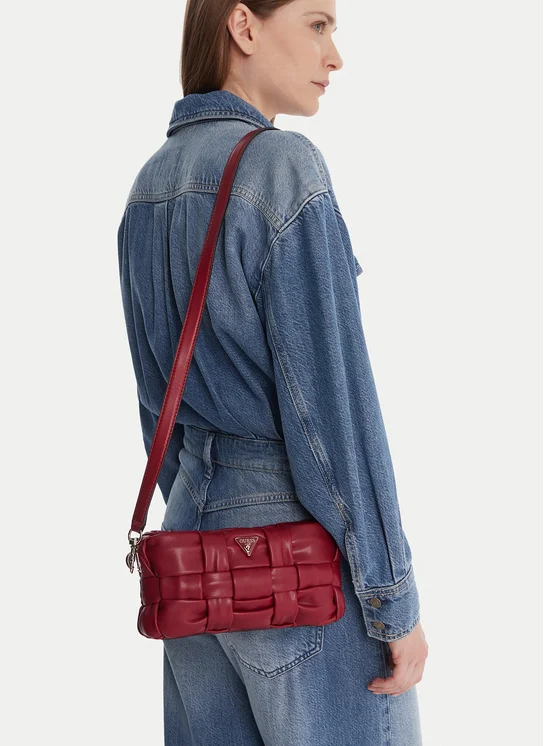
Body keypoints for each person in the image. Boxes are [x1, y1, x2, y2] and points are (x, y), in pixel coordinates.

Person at [117, 0, 428, 743]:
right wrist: (392, 598)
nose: (335, 54)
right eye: (317, 24)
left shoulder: (148, 185)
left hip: (190, 551)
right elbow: (335, 411)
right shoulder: (285, 167)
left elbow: (156, 407)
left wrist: (206, 510)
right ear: (244, 26)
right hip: (295, 555)